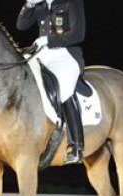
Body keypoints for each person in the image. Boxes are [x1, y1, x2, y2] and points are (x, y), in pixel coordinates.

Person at [16, 0, 86, 164]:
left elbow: (78, 34)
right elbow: (21, 25)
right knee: (20, 75)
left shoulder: (72, 3)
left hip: (67, 54)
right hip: (43, 54)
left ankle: (76, 145)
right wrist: (29, 4)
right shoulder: (40, 4)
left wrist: (48, 40)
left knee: (64, 87)